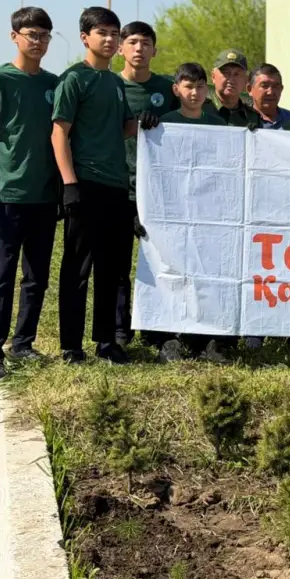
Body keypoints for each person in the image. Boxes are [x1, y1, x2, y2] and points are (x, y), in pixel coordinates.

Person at [51, 6, 153, 364]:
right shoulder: (73, 79)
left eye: (114, 34)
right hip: (85, 184)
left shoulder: (114, 82)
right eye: (102, 33)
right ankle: (71, 346)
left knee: (112, 268)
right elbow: (59, 133)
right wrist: (69, 185)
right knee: (78, 268)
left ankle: (107, 341)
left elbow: (122, 128)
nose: (110, 40)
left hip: (116, 187)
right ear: (85, 37)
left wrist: (142, 121)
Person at [0, 7, 60, 383]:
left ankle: (23, 342)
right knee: (3, 276)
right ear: (14, 37)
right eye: (30, 34)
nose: (37, 41)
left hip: (46, 193)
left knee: (37, 276)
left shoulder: (54, 84)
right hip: (9, 192)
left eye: (43, 35)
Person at [116, 21, 178, 348]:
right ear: (121, 48)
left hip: (159, 193)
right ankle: (120, 331)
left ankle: (158, 330)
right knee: (117, 264)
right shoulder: (110, 86)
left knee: (158, 262)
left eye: (146, 43)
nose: (139, 49)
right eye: (133, 42)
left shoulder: (169, 89)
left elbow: (196, 115)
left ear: (155, 49)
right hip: (118, 186)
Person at [203, 49, 262, 129]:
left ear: (246, 80)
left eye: (237, 74)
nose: (231, 80)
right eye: (226, 73)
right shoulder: (200, 110)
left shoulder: (253, 117)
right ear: (213, 77)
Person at [249, 63, 290, 129]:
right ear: (249, 89)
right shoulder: (240, 122)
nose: (270, 92)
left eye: (275, 86)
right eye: (264, 86)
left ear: (281, 89)